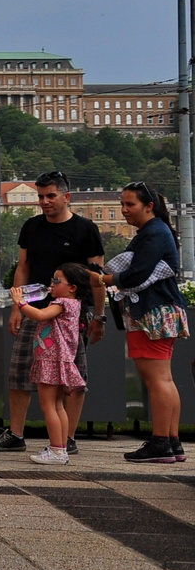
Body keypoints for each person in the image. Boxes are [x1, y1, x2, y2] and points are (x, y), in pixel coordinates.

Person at [0, 171, 105, 455]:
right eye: (40, 196)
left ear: (66, 196)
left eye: (50, 196)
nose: (44, 201)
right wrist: (17, 306)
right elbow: (23, 267)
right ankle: (15, 433)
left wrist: (99, 316)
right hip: (34, 308)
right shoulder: (32, 226)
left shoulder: (85, 229)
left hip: (70, 315)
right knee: (20, 372)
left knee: (71, 377)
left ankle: (69, 437)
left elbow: (97, 276)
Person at [90, 182, 186, 463]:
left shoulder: (153, 232)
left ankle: (160, 443)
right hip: (162, 309)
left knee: (156, 380)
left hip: (150, 311)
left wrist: (103, 279)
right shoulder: (158, 231)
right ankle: (171, 441)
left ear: (149, 206)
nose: (124, 210)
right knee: (165, 379)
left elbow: (137, 274)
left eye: (129, 204)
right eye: (122, 204)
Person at [18, 263, 91, 465]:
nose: (51, 284)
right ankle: (60, 449)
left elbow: (40, 315)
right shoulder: (73, 304)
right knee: (58, 406)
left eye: (57, 281)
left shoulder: (63, 303)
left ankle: (57, 450)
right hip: (57, 359)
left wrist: (21, 303)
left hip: (51, 359)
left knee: (48, 405)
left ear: (72, 287)